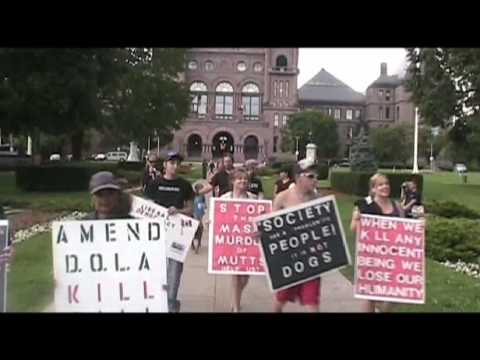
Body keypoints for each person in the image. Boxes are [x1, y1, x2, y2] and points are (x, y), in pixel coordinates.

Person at [144, 151, 194, 313]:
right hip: (157, 232)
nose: (175, 166)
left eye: (178, 163)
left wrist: (178, 211)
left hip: (178, 233)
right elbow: (147, 207)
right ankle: (155, 297)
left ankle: (171, 300)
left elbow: (190, 209)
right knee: (155, 266)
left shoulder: (184, 185)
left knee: (175, 268)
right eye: (172, 163)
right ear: (165, 165)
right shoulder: (155, 184)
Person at [271, 159, 322, 313]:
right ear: (299, 177)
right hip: (289, 260)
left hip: (311, 259)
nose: (316, 180)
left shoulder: (318, 199)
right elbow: (271, 227)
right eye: (311, 176)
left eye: (316, 176)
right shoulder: (283, 197)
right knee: (280, 301)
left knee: (312, 304)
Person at [350, 173, 405, 313]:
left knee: (394, 294)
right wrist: (357, 219)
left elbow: (405, 229)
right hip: (372, 256)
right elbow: (354, 229)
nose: (385, 187)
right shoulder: (364, 205)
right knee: (370, 295)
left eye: (386, 183)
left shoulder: (397, 206)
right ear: (373, 189)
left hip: (393, 257)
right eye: (380, 185)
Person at [220, 168, 257, 312]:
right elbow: (216, 217)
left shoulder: (253, 199)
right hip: (232, 243)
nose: (243, 181)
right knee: (235, 275)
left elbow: (261, 218)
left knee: (245, 278)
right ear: (232, 181)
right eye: (239, 178)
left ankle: (237, 296)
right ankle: (236, 307)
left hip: (248, 244)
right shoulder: (224, 199)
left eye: (245, 179)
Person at [192, 183, 206, 254]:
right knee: (196, 229)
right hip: (194, 214)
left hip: (200, 215)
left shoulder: (202, 196)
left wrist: (204, 207)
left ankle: (198, 243)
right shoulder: (193, 196)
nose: (203, 190)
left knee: (200, 228)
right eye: (201, 188)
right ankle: (193, 244)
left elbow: (204, 205)